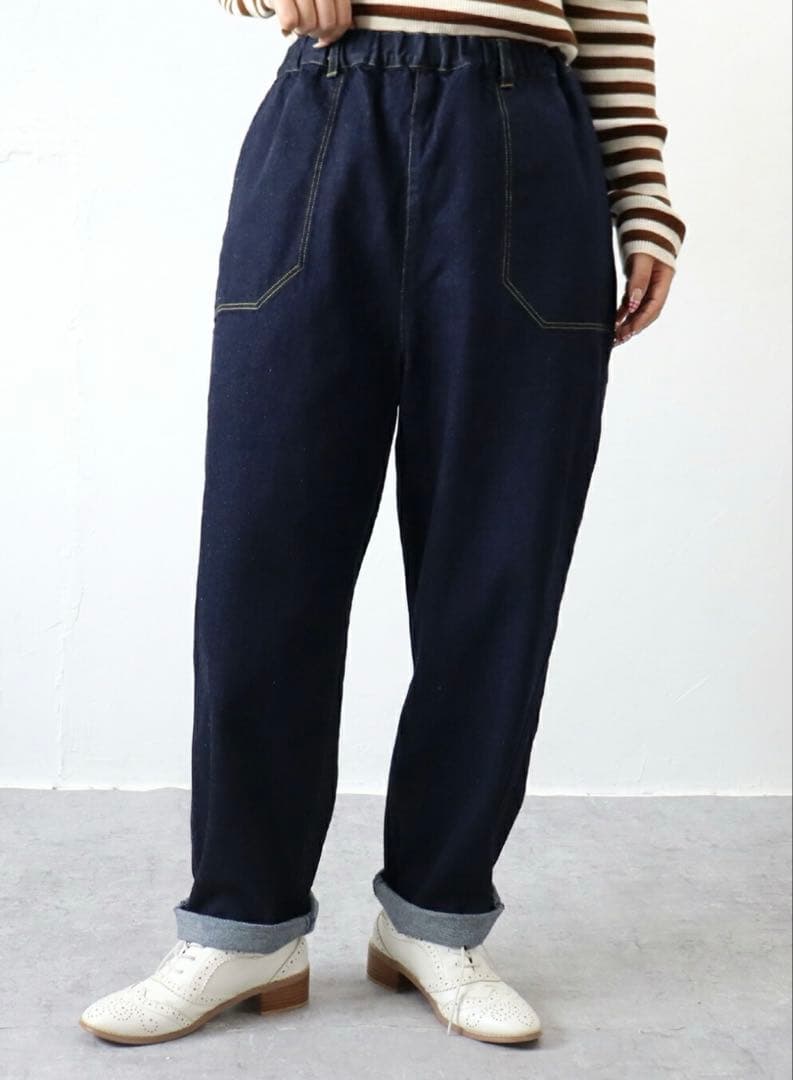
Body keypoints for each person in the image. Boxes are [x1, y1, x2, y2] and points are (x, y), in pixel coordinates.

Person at [80, 0, 685, 1048]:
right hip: (328, 121)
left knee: (495, 571)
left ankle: (434, 917)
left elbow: (611, 16)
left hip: (528, 147)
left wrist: (642, 197)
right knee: (262, 561)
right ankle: (243, 924)